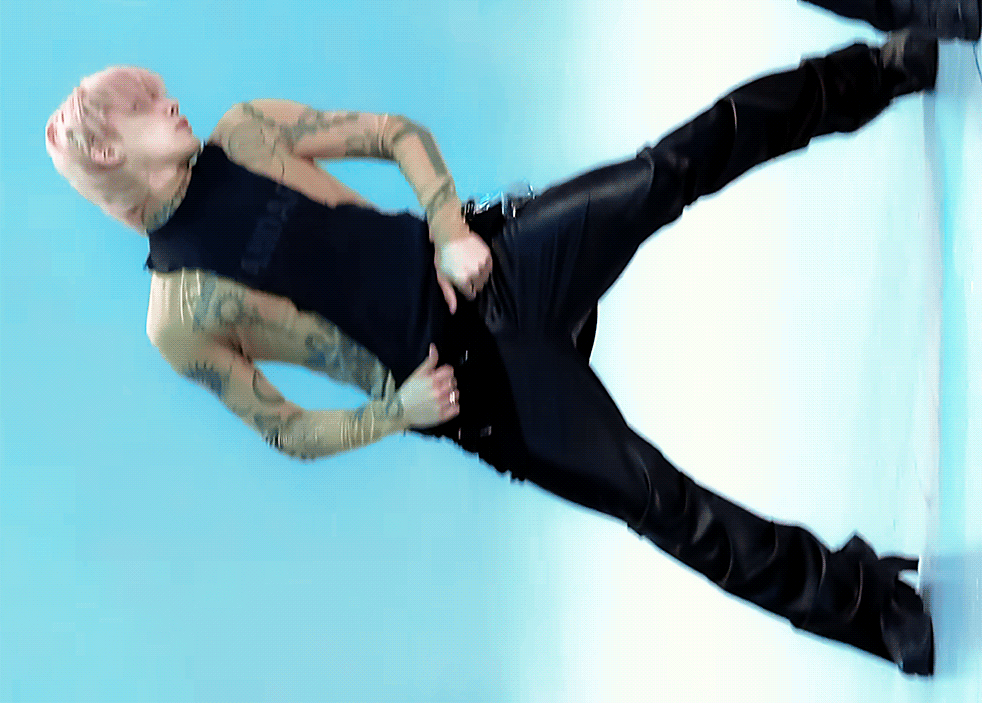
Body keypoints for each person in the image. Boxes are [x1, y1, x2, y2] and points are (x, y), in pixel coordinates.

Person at [47, 1, 977, 675]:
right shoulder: (178, 316)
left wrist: (448, 223)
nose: (170, 101)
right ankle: (872, 606)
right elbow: (285, 430)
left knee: (669, 168)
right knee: (667, 507)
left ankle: (884, 67)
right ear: (107, 152)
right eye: (144, 104)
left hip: (496, 266)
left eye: (158, 90)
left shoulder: (247, 130)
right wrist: (398, 413)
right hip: (476, 391)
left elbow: (394, 132)